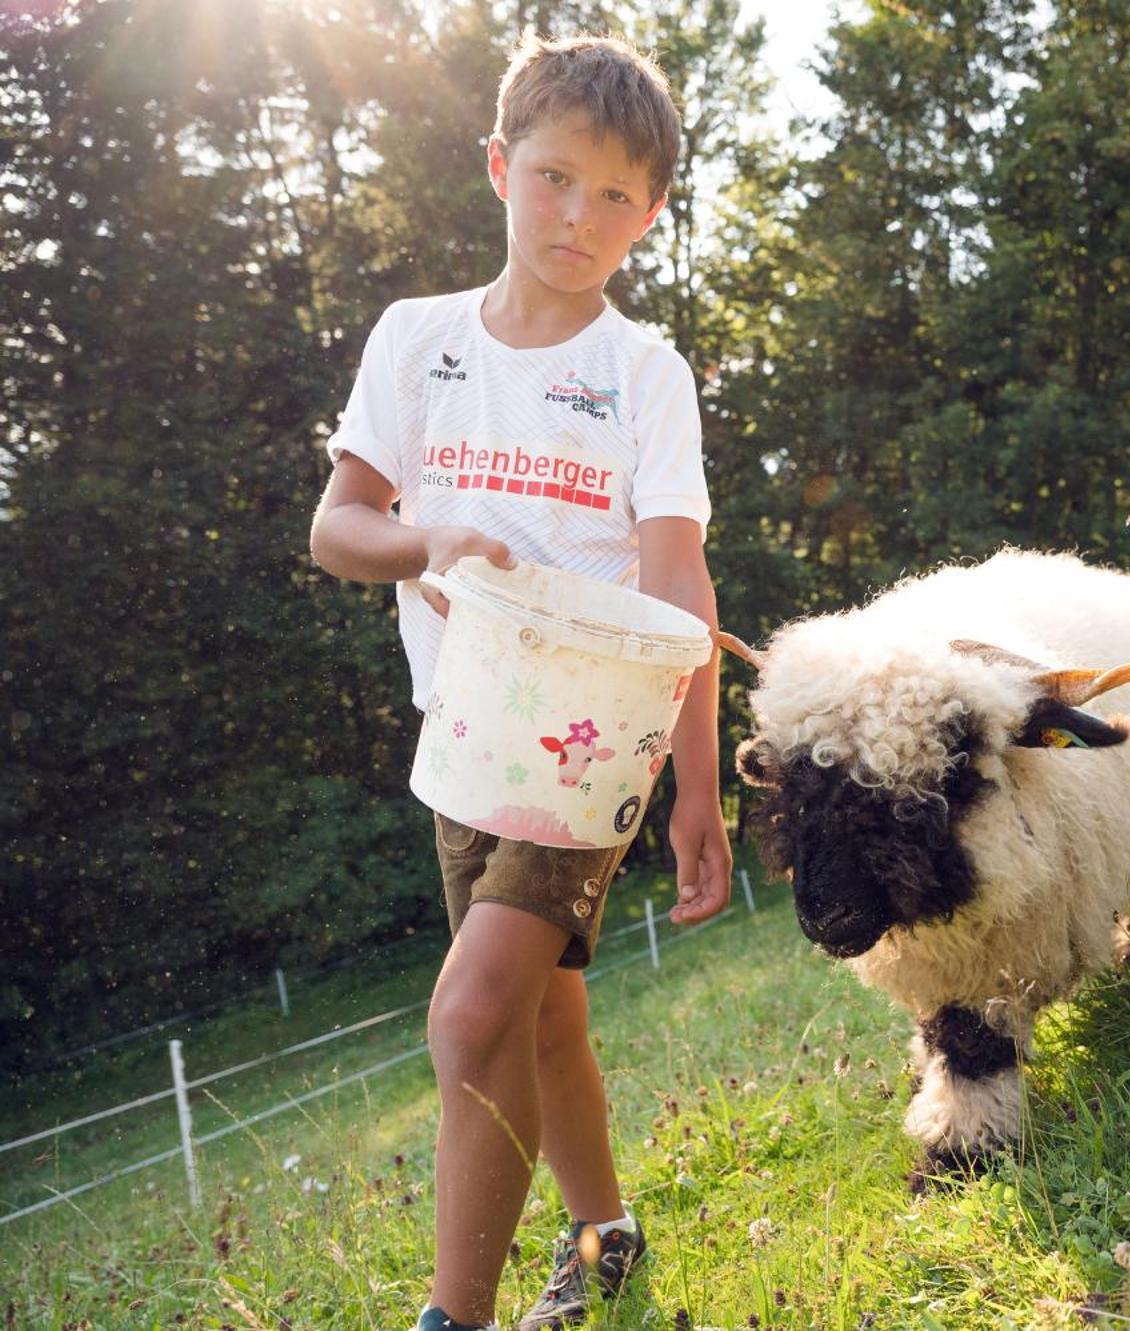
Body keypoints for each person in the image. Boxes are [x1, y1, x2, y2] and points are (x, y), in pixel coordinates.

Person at [308, 32, 730, 1331]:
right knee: (540, 1018)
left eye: (615, 196)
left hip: (592, 737)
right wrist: (426, 539)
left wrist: (697, 787)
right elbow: (339, 530)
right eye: (555, 178)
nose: (578, 216)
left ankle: (456, 1317)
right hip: (465, 737)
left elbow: (679, 586)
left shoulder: (644, 374)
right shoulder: (418, 342)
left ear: (649, 215)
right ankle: (607, 1239)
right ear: (499, 167)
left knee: (472, 1006)